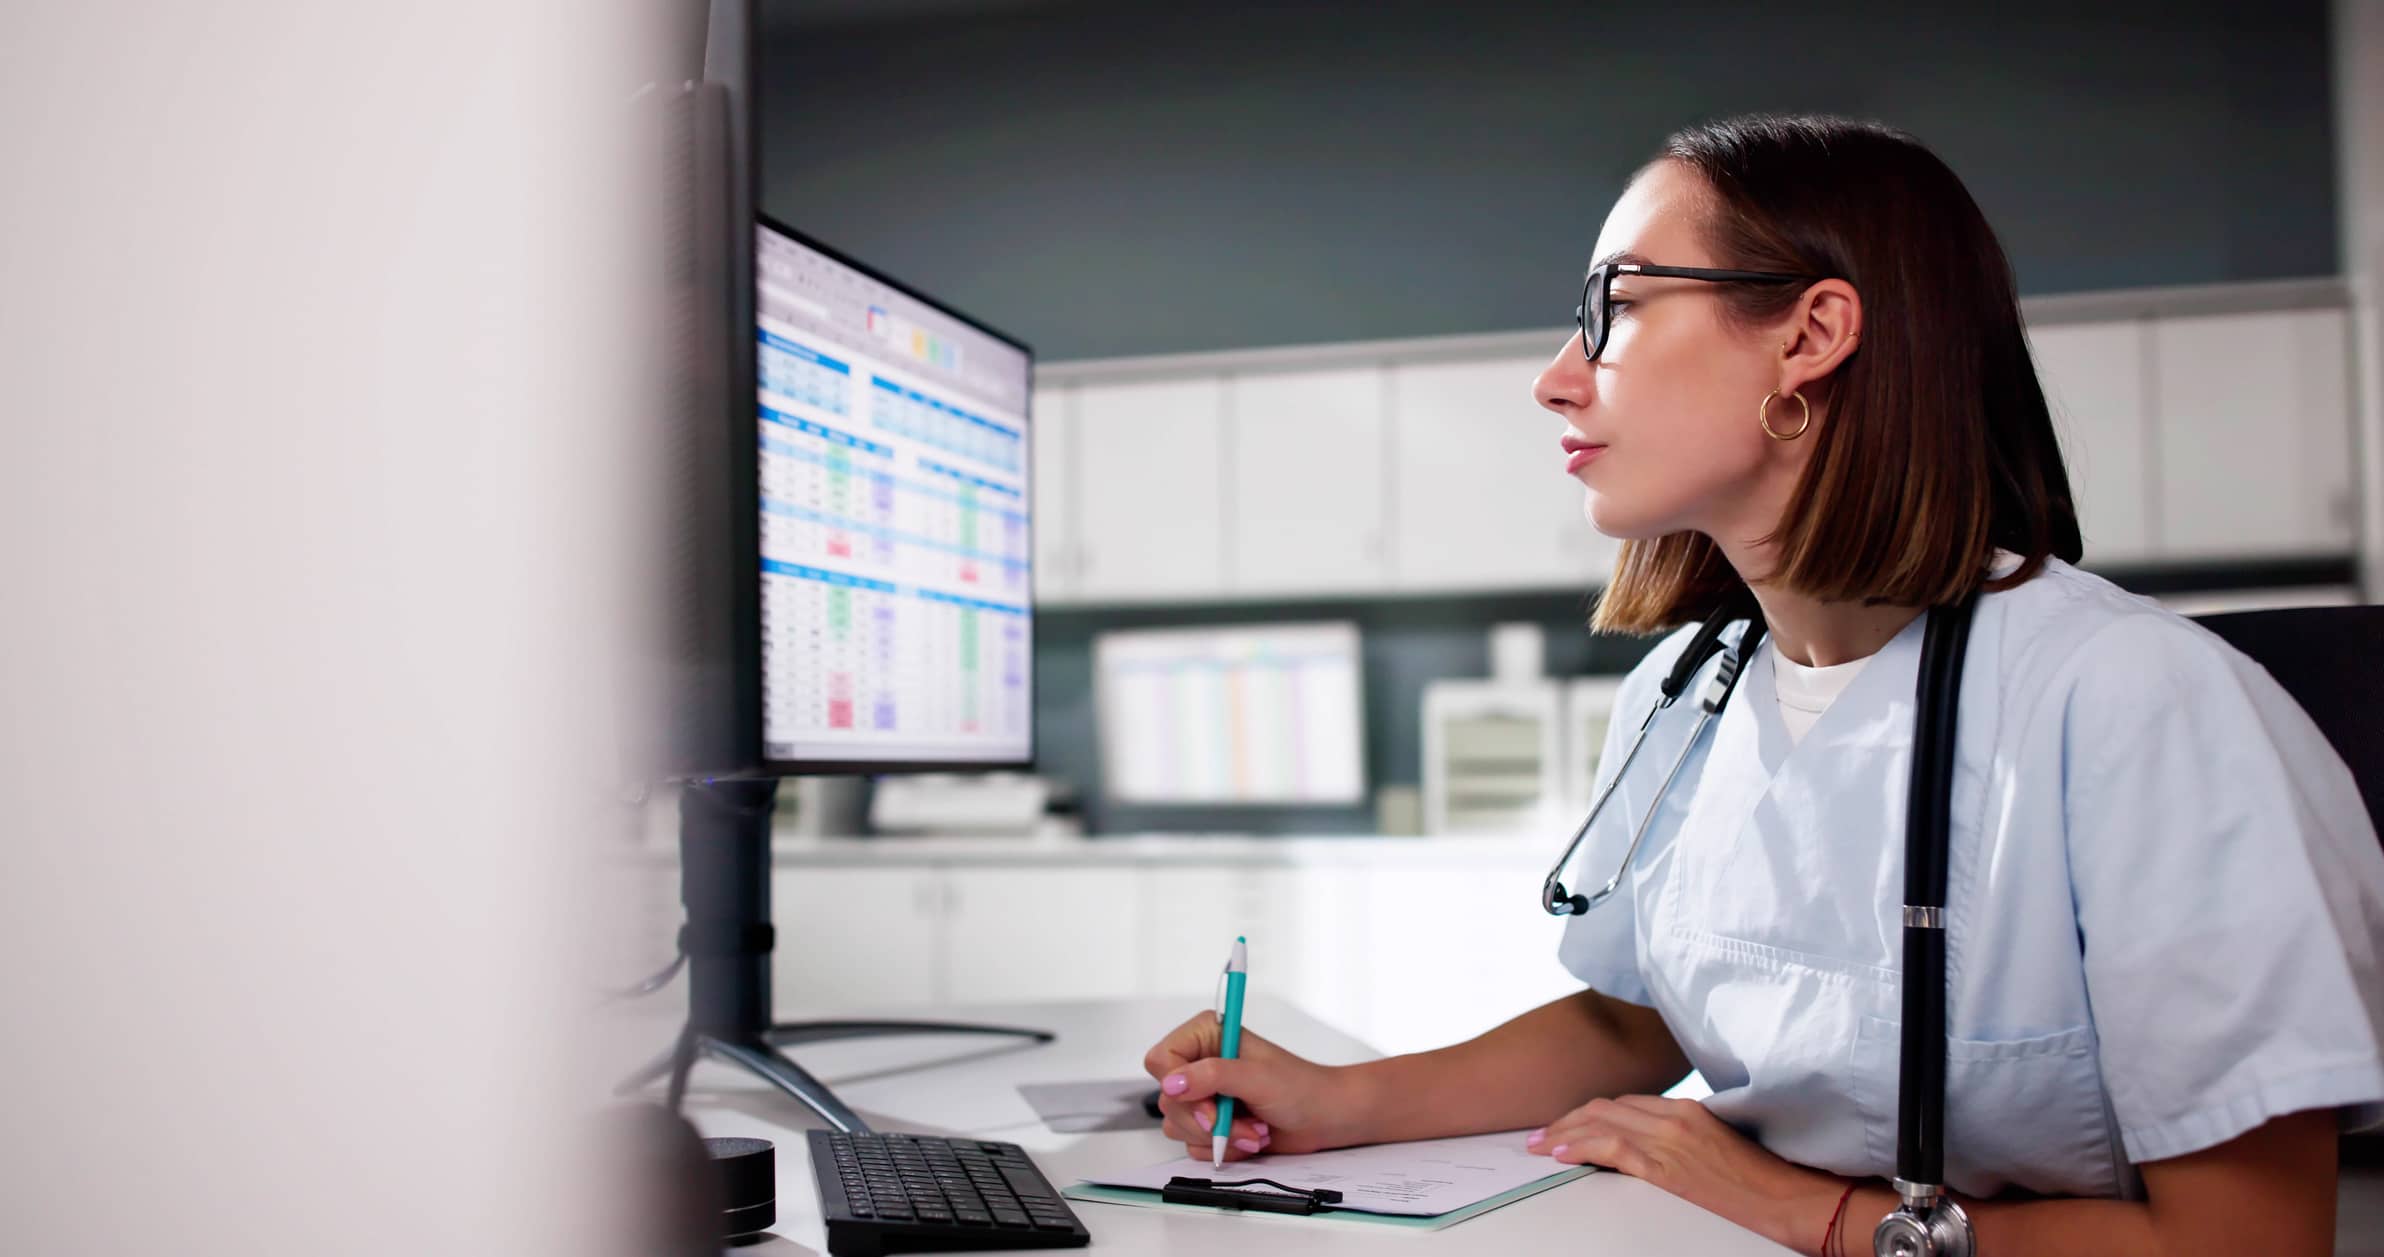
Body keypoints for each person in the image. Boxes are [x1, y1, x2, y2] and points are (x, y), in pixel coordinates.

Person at [1141, 113, 2384, 1257]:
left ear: (1809, 335)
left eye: (1614, 307)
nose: (1556, 376)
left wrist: (1817, 1215)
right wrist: (1336, 1101)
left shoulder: (2134, 702)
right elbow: (1633, 1021)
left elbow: (2246, 1239)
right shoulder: (1686, 691)